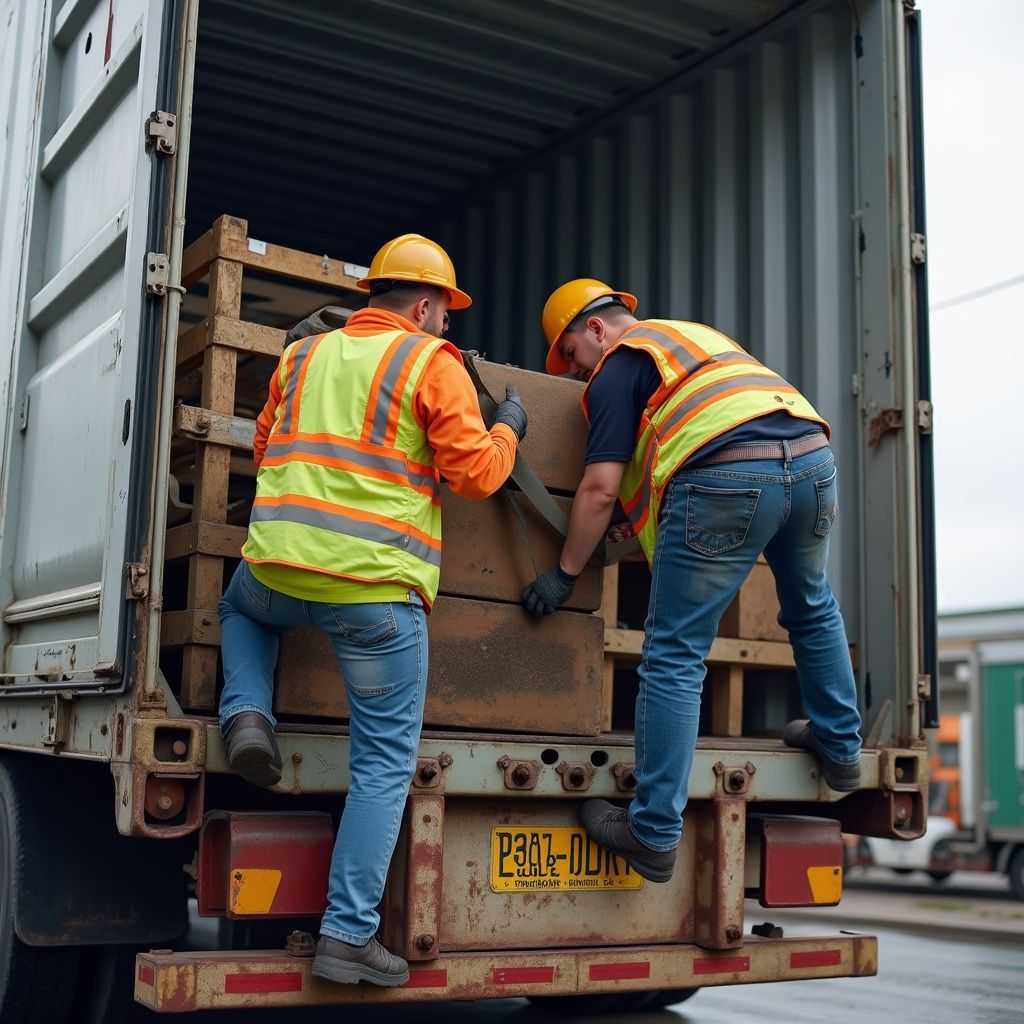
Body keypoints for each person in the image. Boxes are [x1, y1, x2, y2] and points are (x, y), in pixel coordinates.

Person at [217, 234, 527, 986]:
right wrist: (511, 424)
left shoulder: (301, 357)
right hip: (376, 599)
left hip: (276, 571)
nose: (447, 327)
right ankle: (348, 936)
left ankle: (246, 714)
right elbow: (478, 475)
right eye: (445, 313)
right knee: (384, 767)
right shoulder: (431, 362)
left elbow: (265, 451)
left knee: (239, 613)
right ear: (422, 307)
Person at [521, 279, 861, 883]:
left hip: (726, 475)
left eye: (571, 355)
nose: (575, 374)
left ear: (596, 329)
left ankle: (651, 833)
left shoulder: (618, 370)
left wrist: (565, 573)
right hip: (812, 457)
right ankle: (840, 747)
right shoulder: (692, 338)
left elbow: (600, 489)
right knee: (811, 604)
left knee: (675, 653)